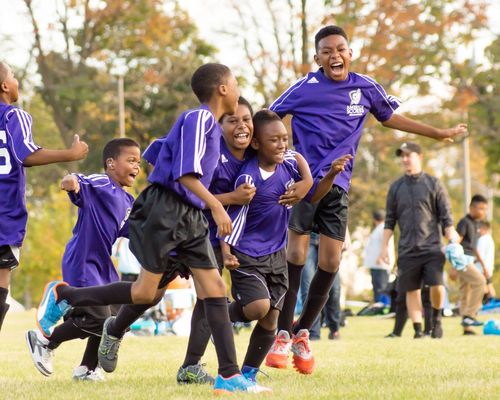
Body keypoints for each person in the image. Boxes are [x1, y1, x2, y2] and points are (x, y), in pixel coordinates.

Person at [33, 63, 265, 394]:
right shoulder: (200, 118)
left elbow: (159, 150)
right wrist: (216, 206)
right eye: (237, 82)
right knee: (152, 291)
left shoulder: (205, 126)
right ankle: (65, 294)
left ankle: (228, 375)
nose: (239, 88)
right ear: (223, 88)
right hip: (170, 211)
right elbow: (186, 175)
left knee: (201, 290)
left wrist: (186, 186)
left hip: (187, 214)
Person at [266, 25, 466, 373]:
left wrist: (437, 132)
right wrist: (277, 155)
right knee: (295, 255)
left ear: (350, 53)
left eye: (340, 49)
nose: (335, 55)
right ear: (317, 58)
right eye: (327, 51)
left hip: (338, 187)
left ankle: (302, 334)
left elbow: (390, 118)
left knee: (330, 263)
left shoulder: (365, 87)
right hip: (302, 183)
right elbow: (270, 117)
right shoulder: (304, 88)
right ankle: (282, 332)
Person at [224, 110, 349, 378]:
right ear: (256, 143)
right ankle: (218, 314)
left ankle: (248, 375)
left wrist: (330, 176)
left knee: (271, 318)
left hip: (276, 255)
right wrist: (226, 249)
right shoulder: (247, 179)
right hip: (246, 254)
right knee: (258, 308)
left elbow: (313, 194)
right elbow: (234, 216)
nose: (282, 145)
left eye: (285, 138)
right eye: (274, 140)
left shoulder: (291, 163)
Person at [25, 138, 140, 380]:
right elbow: (78, 181)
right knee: (99, 319)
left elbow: (136, 235)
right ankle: (46, 341)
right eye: (131, 160)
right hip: (83, 260)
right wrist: (70, 183)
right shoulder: (102, 183)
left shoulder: (129, 201)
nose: (137, 167)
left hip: (104, 267)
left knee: (118, 319)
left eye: (138, 162)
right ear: (111, 163)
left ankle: (87, 369)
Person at [0, 61, 88, 331]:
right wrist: (69, 154)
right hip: (4, 215)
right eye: (13, 76)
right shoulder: (14, 116)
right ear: (4, 86)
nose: (17, 80)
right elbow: (25, 154)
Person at [177, 96, 256, 385]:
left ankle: (191, 366)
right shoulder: (212, 152)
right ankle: (113, 327)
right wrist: (231, 199)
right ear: (220, 126)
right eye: (233, 120)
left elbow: (286, 159)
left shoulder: (253, 155)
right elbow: (193, 194)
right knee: (146, 294)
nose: (241, 126)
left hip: (230, 239)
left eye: (246, 119)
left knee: (211, 298)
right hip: (192, 233)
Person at [379, 142, 460, 339]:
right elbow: (389, 220)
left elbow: (446, 217)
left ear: (419, 156)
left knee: (437, 285)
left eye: (409, 155)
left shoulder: (434, 184)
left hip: (432, 247)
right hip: (407, 248)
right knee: (411, 290)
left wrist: (453, 239)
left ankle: (437, 320)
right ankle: (417, 330)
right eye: (403, 156)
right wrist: (384, 248)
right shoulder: (396, 187)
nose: (405, 159)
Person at [452, 194, 489, 334]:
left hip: (470, 259)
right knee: (480, 282)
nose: (483, 212)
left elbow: (474, 247)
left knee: (465, 292)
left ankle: (467, 328)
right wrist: (454, 265)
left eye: (485, 209)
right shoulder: (464, 222)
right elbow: (456, 242)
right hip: (462, 259)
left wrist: (484, 265)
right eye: (480, 208)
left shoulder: (477, 224)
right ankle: (470, 316)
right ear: (471, 208)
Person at [363, 210, 395, 303]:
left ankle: (383, 306)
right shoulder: (379, 228)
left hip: (381, 264)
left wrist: (380, 257)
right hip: (376, 264)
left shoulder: (383, 229)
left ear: (374, 219)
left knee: (381, 288)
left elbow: (386, 244)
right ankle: (377, 306)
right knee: (377, 288)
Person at [476, 220, 495, 299]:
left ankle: (489, 302)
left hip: (482, 268)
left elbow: (479, 255)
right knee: (489, 284)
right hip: (488, 267)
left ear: (483, 228)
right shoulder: (490, 239)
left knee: (483, 286)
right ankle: (492, 302)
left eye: (479, 228)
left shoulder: (482, 239)